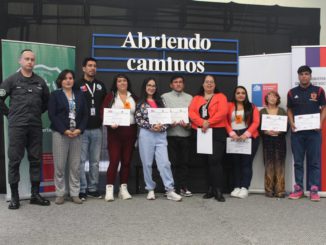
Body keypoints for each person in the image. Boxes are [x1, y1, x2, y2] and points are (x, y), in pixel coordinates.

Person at [0, 49, 50, 209]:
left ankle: (35, 194)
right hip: (17, 127)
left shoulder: (41, 82)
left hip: (35, 126)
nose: (29, 62)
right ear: (20, 61)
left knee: (36, 160)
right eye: (26, 59)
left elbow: (46, 103)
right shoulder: (11, 81)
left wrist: (34, 114)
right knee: (14, 161)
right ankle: (15, 197)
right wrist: (11, 115)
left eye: (32, 59)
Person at [135, 77, 182, 202]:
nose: (151, 88)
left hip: (161, 135)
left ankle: (170, 190)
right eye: (149, 85)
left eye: (154, 86)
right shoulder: (140, 102)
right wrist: (151, 126)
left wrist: (162, 126)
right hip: (146, 135)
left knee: (165, 163)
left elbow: (168, 117)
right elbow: (138, 119)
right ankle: (150, 189)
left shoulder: (161, 101)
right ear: (145, 87)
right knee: (147, 163)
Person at [48, 70, 88, 205]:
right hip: (60, 134)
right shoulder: (55, 95)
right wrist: (64, 130)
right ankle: (60, 193)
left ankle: (75, 193)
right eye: (65, 78)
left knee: (75, 166)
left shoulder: (80, 95)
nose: (68, 81)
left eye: (70, 78)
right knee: (59, 166)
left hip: (76, 134)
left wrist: (79, 129)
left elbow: (85, 115)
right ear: (60, 81)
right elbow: (52, 115)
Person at [287, 65, 326, 202]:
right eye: (301, 74)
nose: (304, 76)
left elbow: (324, 108)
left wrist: (320, 124)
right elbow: (290, 109)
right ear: (298, 76)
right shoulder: (292, 92)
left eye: (306, 74)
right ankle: (298, 189)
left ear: (310, 76)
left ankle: (313, 189)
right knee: (298, 162)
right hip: (297, 133)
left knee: (314, 162)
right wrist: (291, 123)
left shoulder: (319, 91)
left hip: (314, 133)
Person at [188, 75, 228, 202]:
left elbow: (222, 113)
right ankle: (210, 189)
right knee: (205, 162)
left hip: (217, 132)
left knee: (215, 161)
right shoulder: (196, 98)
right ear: (203, 84)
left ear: (215, 85)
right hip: (201, 132)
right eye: (207, 82)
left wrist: (208, 122)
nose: (209, 84)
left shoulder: (221, 97)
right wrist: (201, 123)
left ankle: (218, 190)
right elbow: (191, 113)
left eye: (211, 82)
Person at [100, 74, 137, 201]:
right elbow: (103, 113)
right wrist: (110, 124)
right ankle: (109, 190)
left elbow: (139, 114)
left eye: (124, 81)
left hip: (130, 132)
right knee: (114, 161)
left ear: (128, 83)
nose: (122, 83)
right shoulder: (110, 96)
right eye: (119, 81)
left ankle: (123, 189)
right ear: (116, 84)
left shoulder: (133, 97)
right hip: (115, 133)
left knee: (126, 161)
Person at [78, 57, 107, 201]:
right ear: (84, 68)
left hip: (97, 129)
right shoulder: (77, 84)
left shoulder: (101, 85)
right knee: (81, 161)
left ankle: (93, 188)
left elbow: (106, 106)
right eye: (89, 65)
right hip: (81, 129)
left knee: (95, 161)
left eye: (94, 66)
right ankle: (82, 189)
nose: (92, 68)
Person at [226, 85, 260, 199]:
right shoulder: (228, 105)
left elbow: (256, 122)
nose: (240, 95)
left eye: (243, 93)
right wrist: (232, 133)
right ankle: (236, 186)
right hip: (233, 137)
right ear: (234, 95)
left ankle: (245, 187)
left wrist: (246, 134)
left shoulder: (252, 106)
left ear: (246, 95)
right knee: (235, 163)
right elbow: (224, 121)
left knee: (246, 163)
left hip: (249, 137)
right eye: (238, 93)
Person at [161, 75, 193, 197]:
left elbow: (193, 117)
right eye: (175, 82)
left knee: (184, 162)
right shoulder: (164, 97)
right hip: (170, 134)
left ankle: (183, 187)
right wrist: (168, 122)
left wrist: (188, 125)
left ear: (183, 85)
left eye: (180, 82)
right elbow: (161, 115)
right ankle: (171, 188)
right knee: (171, 163)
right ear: (171, 85)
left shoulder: (190, 98)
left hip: (185, 134)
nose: (178, 84)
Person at [260, 91, 287, 198]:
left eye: (274, 96)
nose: (272, 98)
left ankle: (280, 190)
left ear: (277, 99)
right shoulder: (261, 112)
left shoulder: (282, 111)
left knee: (280, 165)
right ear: (266, 98)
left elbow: (287, 126)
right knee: (268, 164)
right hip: (267, 140)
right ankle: (269, 190)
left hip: (280, 140)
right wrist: (265, 132)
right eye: (269, 96)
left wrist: (279, 131)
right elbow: (258, 126)